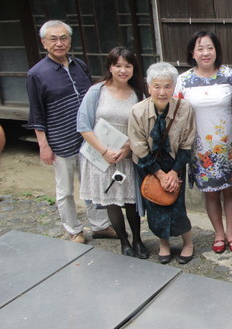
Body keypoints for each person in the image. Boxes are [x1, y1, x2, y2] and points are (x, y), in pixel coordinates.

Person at [26, 20, 115, 243]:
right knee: (65, 190)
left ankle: (100, 225)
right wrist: (43, 145)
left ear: (69, 40)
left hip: (88, 139)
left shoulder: (79, 66)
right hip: (59, 141)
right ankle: (74, 229)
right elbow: (36, 113)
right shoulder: (36, 74)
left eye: (63, 38)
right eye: (53, 39)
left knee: (93, 185)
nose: (59, 43)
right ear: (44, 43)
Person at [77, 47, 148, 258]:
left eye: (127, 65)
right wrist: (104, 151)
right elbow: (83, 125)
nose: (123, 70)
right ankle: (124, 241)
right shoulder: (96, 91)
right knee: (111, 201)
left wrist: (127, 148)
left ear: (134, 68)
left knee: (131, 201)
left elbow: (143, 127)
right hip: (101, 157)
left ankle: (137, 239)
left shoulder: (138, 93)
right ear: (110, 67)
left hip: (127, 156)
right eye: (118, 65)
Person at [175, 31, 232, 254]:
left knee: (231, 191)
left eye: (210, 47)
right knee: (210, 192)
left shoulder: (231, 76)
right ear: (192, 53)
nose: (205, 53)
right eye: (200, 48)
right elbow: (177, 115)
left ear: (217, 50)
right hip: (200, 147)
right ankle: (219, 234)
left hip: (227, 146)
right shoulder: (183, 81)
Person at [128, 62, 196, 264]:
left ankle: (188, 243)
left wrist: (174, 173)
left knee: (177, 206)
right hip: (149, 165)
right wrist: (159, 174)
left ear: (174, 87)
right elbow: (139, 147)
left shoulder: (184, 109)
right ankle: (164, 244)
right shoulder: (137, 111)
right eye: (157, 86)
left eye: (167, 86)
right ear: (149, 87)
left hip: (175, 163)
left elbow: (187, 143)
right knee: (156, 204)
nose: (162, 91)